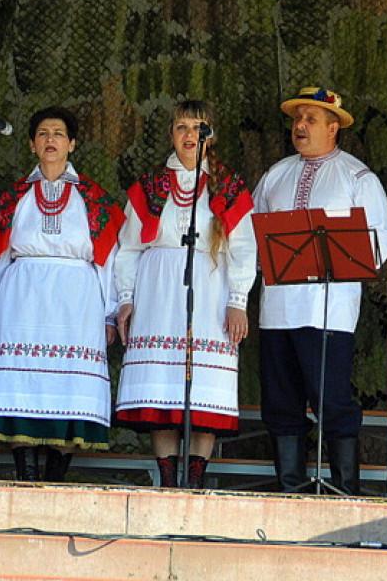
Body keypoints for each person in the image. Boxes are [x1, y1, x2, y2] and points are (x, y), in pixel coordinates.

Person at [253, 87, 387, 496]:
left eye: (311, 119)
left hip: (328, 310)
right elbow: (254, 234)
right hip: (277, 308)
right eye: (297, 119)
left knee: (331, 400)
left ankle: (345, 489)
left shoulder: (357, 177)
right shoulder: (275, 175)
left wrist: (336, 259)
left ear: (334, 127)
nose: (300, 126)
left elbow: (382, 237)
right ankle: (292, 486)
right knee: (281, 401)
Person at [114, 99, 255, 489]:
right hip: (158, 291)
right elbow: (127, 247)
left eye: (198, 127)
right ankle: (166, 480)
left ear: (212, 136)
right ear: (171, 134)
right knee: (162, 389)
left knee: (204, 393)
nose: (190, 135)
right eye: (182, 127)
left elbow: (244, 248)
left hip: (210, 291)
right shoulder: (148, 186)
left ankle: (194, 479)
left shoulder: (227, 185)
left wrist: (238, 301)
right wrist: (126, 298)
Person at [0, 107, 125, 482]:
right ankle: (26, 475)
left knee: (71, 383)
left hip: (76, 301)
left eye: (59, 133)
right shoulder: (14, 197)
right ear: (32, 144)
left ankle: (56, 478)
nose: (51, 140)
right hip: (21, 298)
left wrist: (110, 313)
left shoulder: (95, 199)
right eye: (43, 133)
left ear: (72, 143)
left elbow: (110, 259)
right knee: (20, 382)